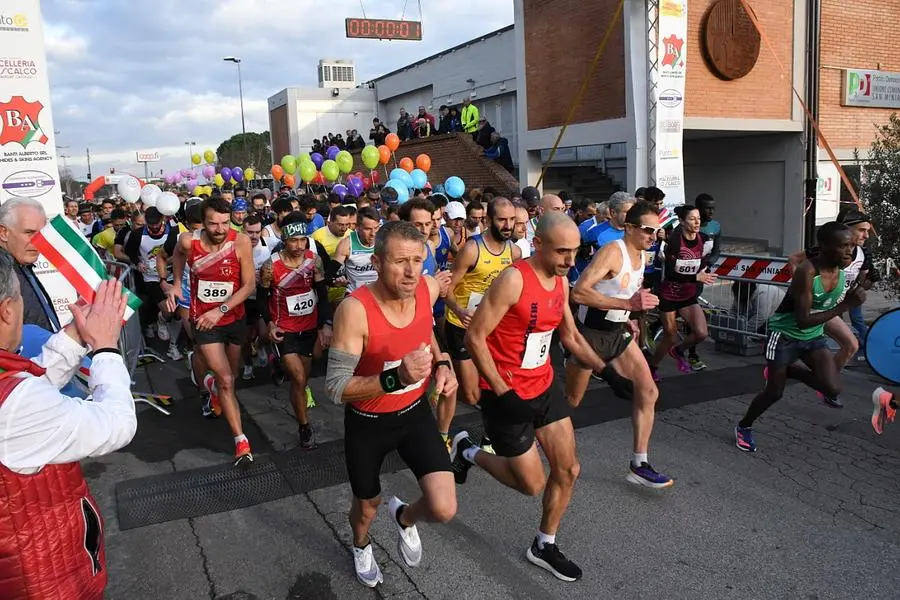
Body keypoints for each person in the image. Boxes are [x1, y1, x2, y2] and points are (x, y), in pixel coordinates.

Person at [451, 213, 613, 582]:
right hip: (507, 395)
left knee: (569, 469)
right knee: (531, 484)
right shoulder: (513, 280)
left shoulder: (561, 282)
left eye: (575, 252)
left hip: (543, 386)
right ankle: (468, 452)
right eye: (562, 252)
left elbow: (570, 337)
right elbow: (474, 337)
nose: (571, 261)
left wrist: (607, 370)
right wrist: (504, 393)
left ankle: (544, 543)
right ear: (537, 244)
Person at [325, 221, 458, 588]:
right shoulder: (355, 311)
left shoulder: (426, 290)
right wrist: (394, 378)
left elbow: (425, 329)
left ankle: (405, 518)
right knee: (366, 507)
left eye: (418, 260)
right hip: (368, 423)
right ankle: (361, 544)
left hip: (414, 414)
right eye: (401, 261)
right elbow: (335, 388)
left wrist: (443, 362)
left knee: (444, 507)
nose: (412, 271)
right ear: (378, 262)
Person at [0, 255, 136, 600]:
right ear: (7, 310)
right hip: (41, 580)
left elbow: (30, 384)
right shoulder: (16, 404)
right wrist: (106, 347)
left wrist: (76, 336)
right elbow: (117, 424)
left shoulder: (15, 392)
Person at [565, 201, 673, 487]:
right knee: (570, 401)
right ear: (629, 227)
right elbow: (579, 293)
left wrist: (628, 316)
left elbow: (621, 292)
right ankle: (536, 433)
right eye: (648, 230)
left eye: (657, 231)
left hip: (617, 333)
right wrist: (626, 304)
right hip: (590, 333)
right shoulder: (613, 252)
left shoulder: (642, 257)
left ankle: (639, 463)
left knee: (648, 391)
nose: (654, 236)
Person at [734, 222, 863, 452]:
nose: (849, 252)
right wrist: (845, 305)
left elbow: (820, 313)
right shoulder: (807, 272)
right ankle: (744, 426)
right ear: (824, 247)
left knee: (832, 389)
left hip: (813, 337)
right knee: (774, 393)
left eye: (851, 246)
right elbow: (803, 319)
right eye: (843, 246)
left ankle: (789, 370)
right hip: (784, 336)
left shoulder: (841, 271)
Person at [168, 198, 258, 464]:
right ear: (202, 222)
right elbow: (177, 255)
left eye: (224, 223)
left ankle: (208, 382)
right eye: (212, 223)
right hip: (204, 321)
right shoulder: (188, 242)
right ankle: (241, 441)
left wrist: (221, 309)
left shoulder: (240, 241)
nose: (219, 229)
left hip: (233, 318)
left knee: (231, 376)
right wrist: (175, 283)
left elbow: (249, 285)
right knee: (227, 381)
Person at [260, 214, 331, 449]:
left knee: (306, 375)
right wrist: (270, 323)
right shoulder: (271, 266)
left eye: (303, 240)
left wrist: (324, 325)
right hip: (285, 329)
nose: (299, 246)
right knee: (299, 378)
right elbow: (262, 298)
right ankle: (304, 426)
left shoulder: (314, 260)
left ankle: (278, 365)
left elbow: (322, 294)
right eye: (294, 241)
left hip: (309, 328)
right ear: (285, 241)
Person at [444, 198, 521, 408]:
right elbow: (446, 288)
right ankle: (442, 387)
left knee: (493, 385)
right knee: (471, 396)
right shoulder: (471, 249)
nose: (508, 226)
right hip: (462, 326)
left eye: (512, 220)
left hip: (490, 326)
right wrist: (459, 310)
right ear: (488, 220)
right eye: (502, 220)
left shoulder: (514, 252)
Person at [648, 204, 717, 379]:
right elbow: (671, 273)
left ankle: (679, 351)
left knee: (701, 333)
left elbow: (702, 261)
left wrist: (704, 269)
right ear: (682, 221)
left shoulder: (703, 238)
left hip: (688, 295)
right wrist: (696, 277)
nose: (696, 222)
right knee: (669, 336)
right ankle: (652, 368)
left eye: (698, 219)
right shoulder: (675, 241)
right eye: (692, 219)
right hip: (669, 295)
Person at [0, 198, 61, 332]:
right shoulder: (5, 272)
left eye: (42, 234)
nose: (38, 241)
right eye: (29, 233)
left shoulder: (20, 264)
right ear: (4, 233)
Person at [239, 213, 272, 380]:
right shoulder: (234, 247)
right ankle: (247, 364)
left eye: (257, 232)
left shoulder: (269, 245)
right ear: (243, 231)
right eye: (250, 232)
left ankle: (259, 346)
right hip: (243, 300)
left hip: (262, 298)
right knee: (244, 339)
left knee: (266, 334)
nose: (254, 236)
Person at [312, 205, 352, 309]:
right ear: (331, 222)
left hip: (345, 292)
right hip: (324, 293)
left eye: (347, 224)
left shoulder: (351, 235)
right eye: (340, 225)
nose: (344, 228)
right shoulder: (317, 237)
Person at [334, 207, 381, 295]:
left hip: (378, 293)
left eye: (376, 228)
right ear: (357, 227)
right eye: (367, 229)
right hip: (355, 294)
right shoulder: (346, 244)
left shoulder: (384, 240)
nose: (373, 234)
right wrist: (337, 281)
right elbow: (330, 276)